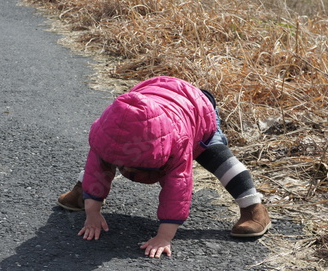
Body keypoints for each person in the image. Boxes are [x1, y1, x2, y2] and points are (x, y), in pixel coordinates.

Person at [57, 76, 271, 258]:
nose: (125, 171)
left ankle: (253, 208)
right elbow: (97, 166)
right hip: (152, 100)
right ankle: (83, 193)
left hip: (198, 111)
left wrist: (164, 236)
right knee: (105, 158)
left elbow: (178, 190)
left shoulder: (178, 143)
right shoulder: (110, 132)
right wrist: (92, 213)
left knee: (220, 161)